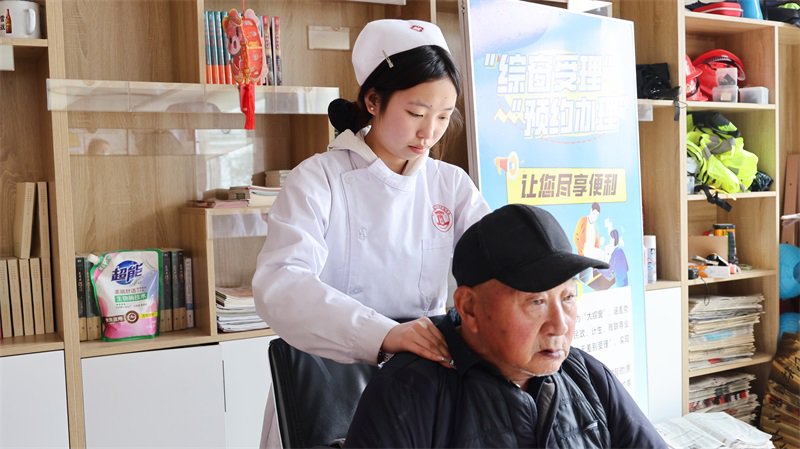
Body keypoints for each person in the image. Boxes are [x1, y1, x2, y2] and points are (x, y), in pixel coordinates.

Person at [252, 18, 490, 447]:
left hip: (423, 381)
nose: (429, 132)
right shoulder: (319, 179)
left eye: (443, 116)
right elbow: (281, 284)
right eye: (416, 113)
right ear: (374, 101)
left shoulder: (450, 185)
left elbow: (494, 262)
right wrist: (383, 334)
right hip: (327, 385)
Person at [344, 204, 668, 448]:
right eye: (536, 302)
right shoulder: (408, 393)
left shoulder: (587, 376)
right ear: (469, 308)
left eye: (568, 297)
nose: (559, 326)